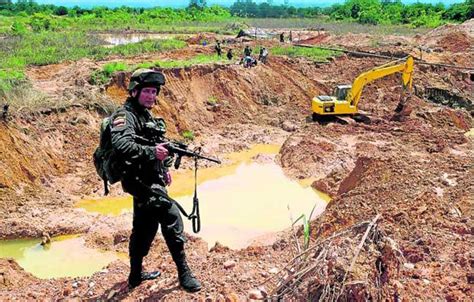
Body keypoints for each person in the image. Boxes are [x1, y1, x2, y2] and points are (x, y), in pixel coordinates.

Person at [110, 68, 201, 292]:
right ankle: (184, 273)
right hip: (139, 181)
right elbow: (122, 146)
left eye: (154, 92)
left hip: (151, 177)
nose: (152, 96)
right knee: (171, 216)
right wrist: (154, 153)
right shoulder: (124, 116)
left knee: (144, 227)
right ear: (134, 92)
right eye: (147, 91)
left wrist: (163, 166)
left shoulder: (145, 114)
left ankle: (135, 275)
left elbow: (155, 142)